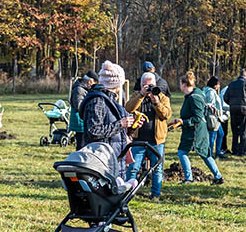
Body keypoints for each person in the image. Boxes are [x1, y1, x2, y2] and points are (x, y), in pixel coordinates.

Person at [124, 71, 172, 200]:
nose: (148, 89)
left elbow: (166, 115)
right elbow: (128, 108)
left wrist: (156, 102)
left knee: (157, 169)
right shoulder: (137, 96)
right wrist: (141, 95)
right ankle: (128, 193)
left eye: (150, 86)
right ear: (141, 85)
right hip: (139, 140)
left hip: (156, 141)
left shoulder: (162, 98)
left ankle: (155, 195)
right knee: (133, 168)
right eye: (145, 86)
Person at [80, 60, 131, 169]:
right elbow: (93, 131)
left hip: (115, 158)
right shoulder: (98, 101)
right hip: (102, 160)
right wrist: (120, 124)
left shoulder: (112, 101)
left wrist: (131, 126)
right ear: (117, 84)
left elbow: (116, 131)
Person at [176, 72, 223, 184]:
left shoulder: (194, 97)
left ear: (183, 84)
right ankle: (218, 176)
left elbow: (197, 117)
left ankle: (189, 178)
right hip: (192, 130)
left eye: (180, 83)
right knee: (204, 154)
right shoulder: (191, 96)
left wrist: (184, 122)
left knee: (183, 152)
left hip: (195, 131)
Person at [223, 69, 246, 155]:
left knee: (235, 131)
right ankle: (242, 151)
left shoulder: (231, 84)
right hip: (244, 109)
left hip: (233, 109)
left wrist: (231, 103)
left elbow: (225, 97)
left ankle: (234, 149)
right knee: (243, 130)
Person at [68, 70, 98, 150]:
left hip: (83, 120)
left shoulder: (84, 88)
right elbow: (79, 106)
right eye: (94, 83)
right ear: (90, 81)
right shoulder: (79, 89)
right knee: (81, 144)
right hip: (80, 120)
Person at [203, 76, 227, 158]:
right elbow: (210, 105)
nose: (219, 86)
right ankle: (210, 153)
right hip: (212, 118)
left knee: (221, 134)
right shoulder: (210, 92)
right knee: (212, 135)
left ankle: (218, 151)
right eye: (218, 84)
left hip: (217, 117)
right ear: (215, 85)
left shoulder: (211, 91)